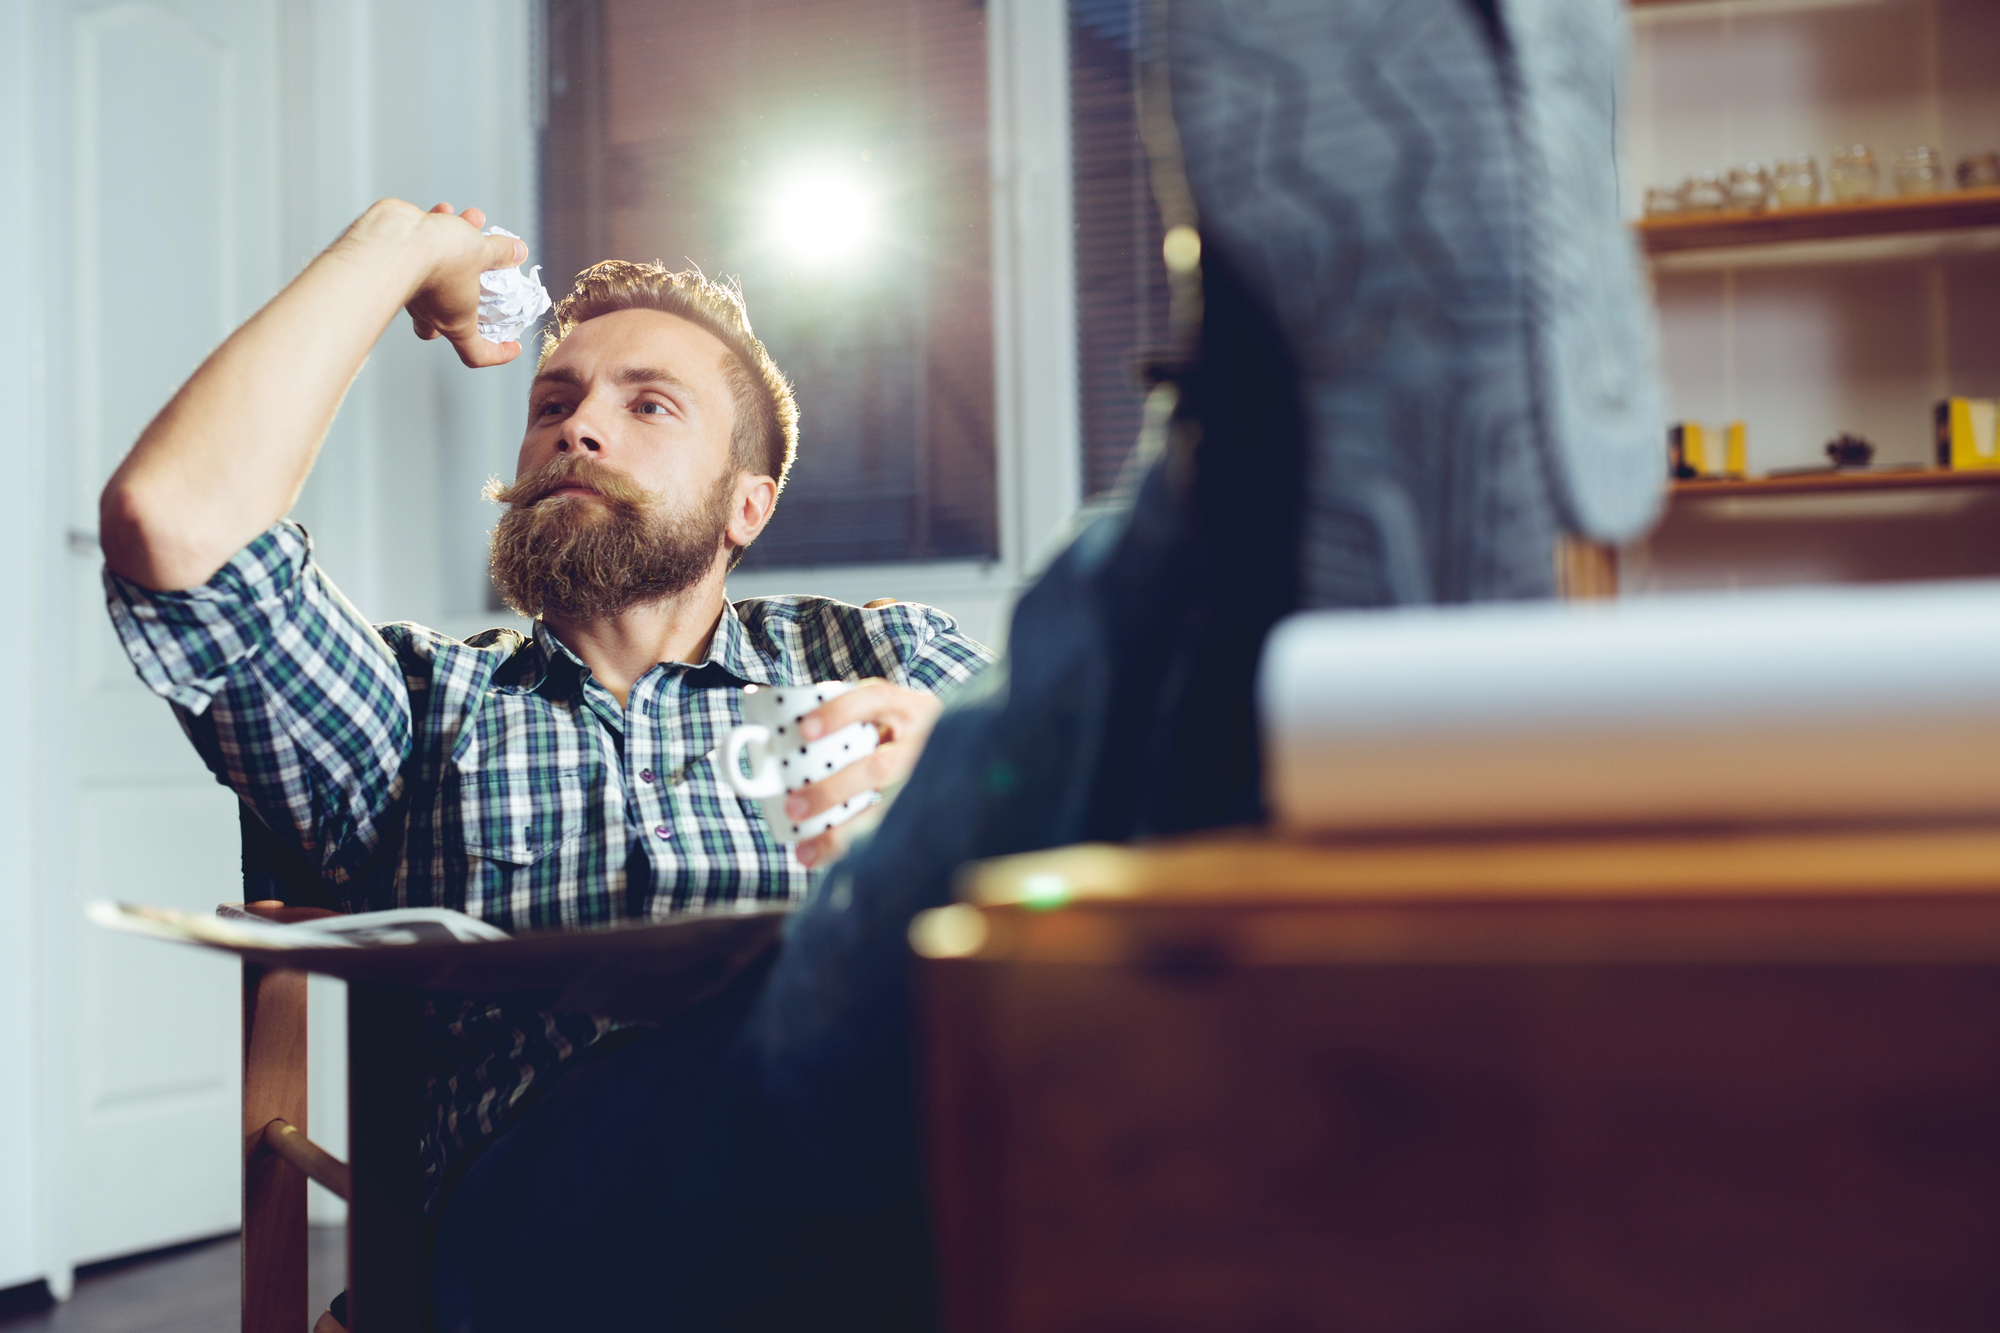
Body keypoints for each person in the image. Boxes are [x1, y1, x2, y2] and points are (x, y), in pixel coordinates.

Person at [98, 201, 993, 1329]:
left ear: (745, 505)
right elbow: (175, 522)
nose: (576, 430)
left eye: (648, 404)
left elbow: (1138, 831)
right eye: (552, 404)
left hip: (888, 1139)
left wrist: (972, 776)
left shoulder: (887, 656)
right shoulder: (419, 705)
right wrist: (396, 249)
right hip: (554, 1196)